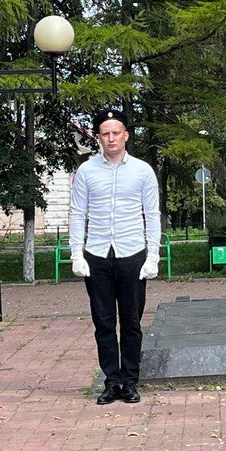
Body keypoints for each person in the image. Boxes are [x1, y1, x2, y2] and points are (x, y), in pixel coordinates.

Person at [68, 109, 161, 405]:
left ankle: (130, 381)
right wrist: (76, 253)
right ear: (98, 137)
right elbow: (77, 214)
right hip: (97, 255)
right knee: (104, 322)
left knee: (132, 322)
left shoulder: (142, 171)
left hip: (132, 254)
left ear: (126, 136)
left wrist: (153, 254)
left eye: (116, 132)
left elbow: (152, 214)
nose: (111, 138)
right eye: (105, 133)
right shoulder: (86, 171)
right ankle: (111, 381)